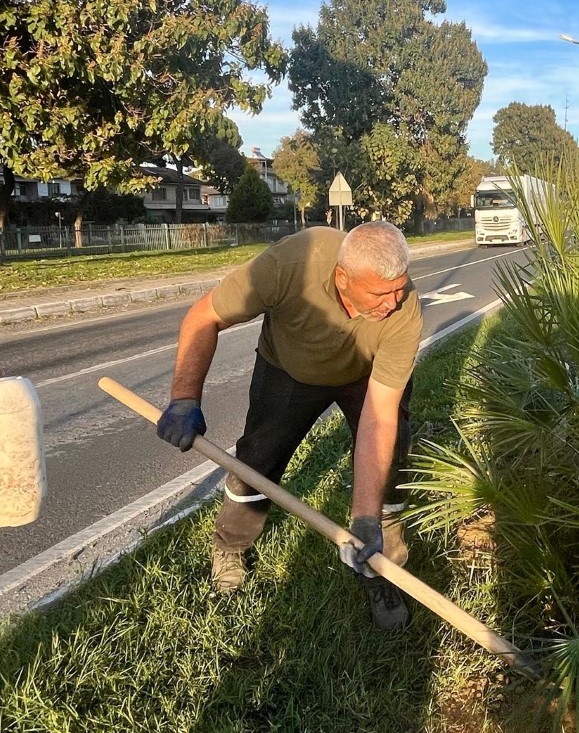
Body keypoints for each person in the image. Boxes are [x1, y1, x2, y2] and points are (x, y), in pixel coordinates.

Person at [156, 222, 422, 629]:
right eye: (379, 293)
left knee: (391, 464)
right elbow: (203, 317)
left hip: (364, 376)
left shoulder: (404, 309)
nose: (392, 301)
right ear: (342, 278)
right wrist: (185, 397)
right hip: (289, 369)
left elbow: (380, 414)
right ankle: (230, 545)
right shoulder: (290, 263)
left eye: (399, 288)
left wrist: (364, 516)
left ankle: (378, 568)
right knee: (258, 460)